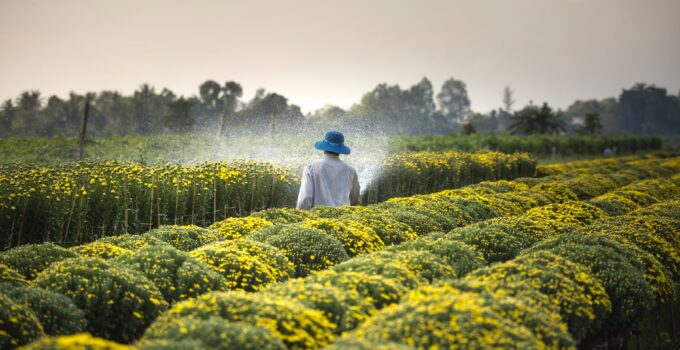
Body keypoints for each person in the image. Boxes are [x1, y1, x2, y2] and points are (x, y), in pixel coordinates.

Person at [296, 131, 361, 210]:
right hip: (343, 219)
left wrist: (301, 217)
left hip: (316, 218)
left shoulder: (311, 168)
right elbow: (355, 200)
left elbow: (305, 199)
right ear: (340, 149)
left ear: (324, 147)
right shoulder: (351, 171)